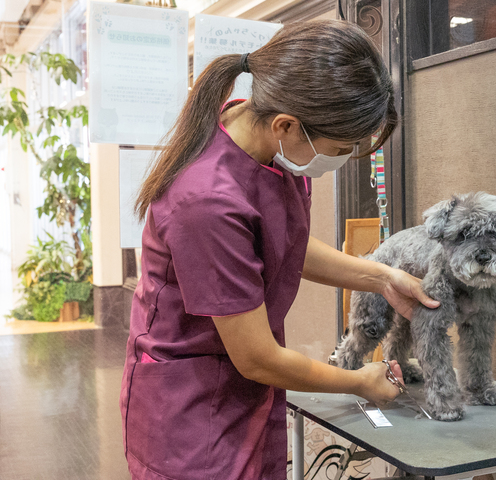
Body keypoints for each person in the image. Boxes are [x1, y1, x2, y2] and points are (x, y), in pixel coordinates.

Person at [120, 19, 439, 480]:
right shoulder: (207, 201)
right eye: (342, 147)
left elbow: (281, 242)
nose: (342, 159)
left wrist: (381, 277)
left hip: (245, 388)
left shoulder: (266, 144)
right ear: (287, 125)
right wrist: (358, 383)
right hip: (191, 411)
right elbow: (255, 357)